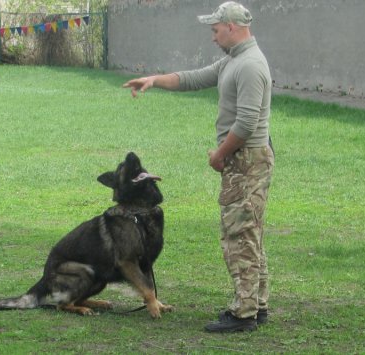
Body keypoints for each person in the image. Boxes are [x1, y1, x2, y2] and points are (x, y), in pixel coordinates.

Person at [122, 1, 274, 333]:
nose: (213, 36)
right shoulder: (235, 60)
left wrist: (220, 154)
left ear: (231, 27)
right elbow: (192, 78)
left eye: (215, 29)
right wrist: (153, 80)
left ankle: (244, 313)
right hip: (244, 159)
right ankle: (256, 304)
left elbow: (247, 122)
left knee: (240, 236)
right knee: (250, 233)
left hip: (246, 160)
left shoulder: (250, 65)